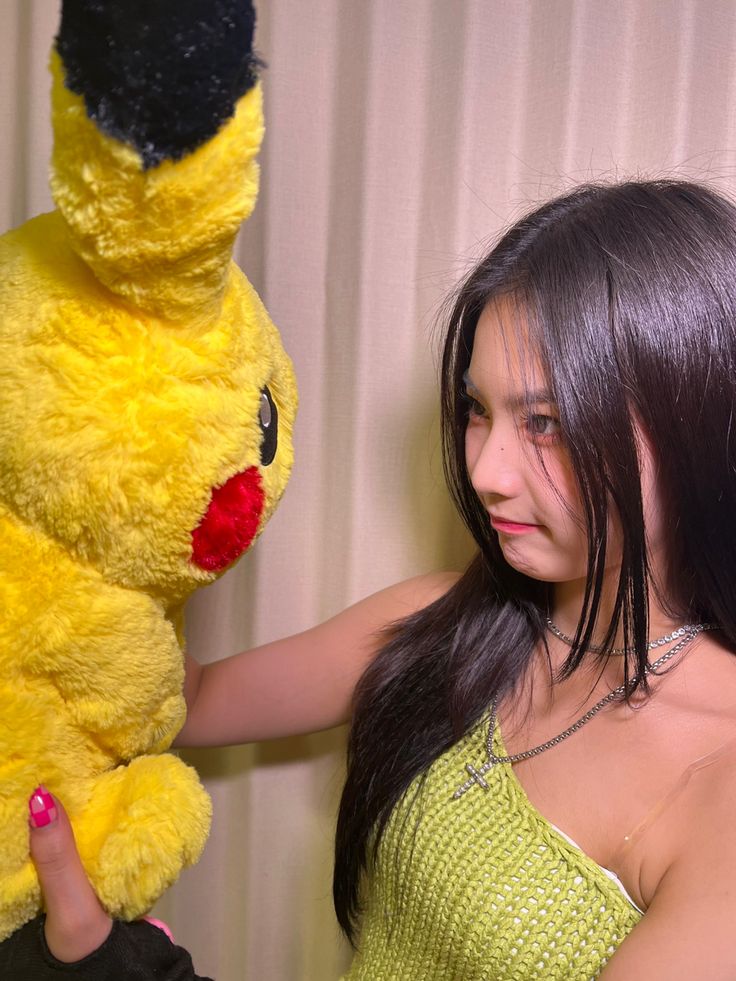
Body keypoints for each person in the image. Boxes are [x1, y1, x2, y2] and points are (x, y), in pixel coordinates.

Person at [10, 178, 736, 979]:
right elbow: (179, 698)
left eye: (547, 423)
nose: (487, 470)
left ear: (693, 424)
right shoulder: (446, 622)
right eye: (476, 409)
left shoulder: (722, 786)